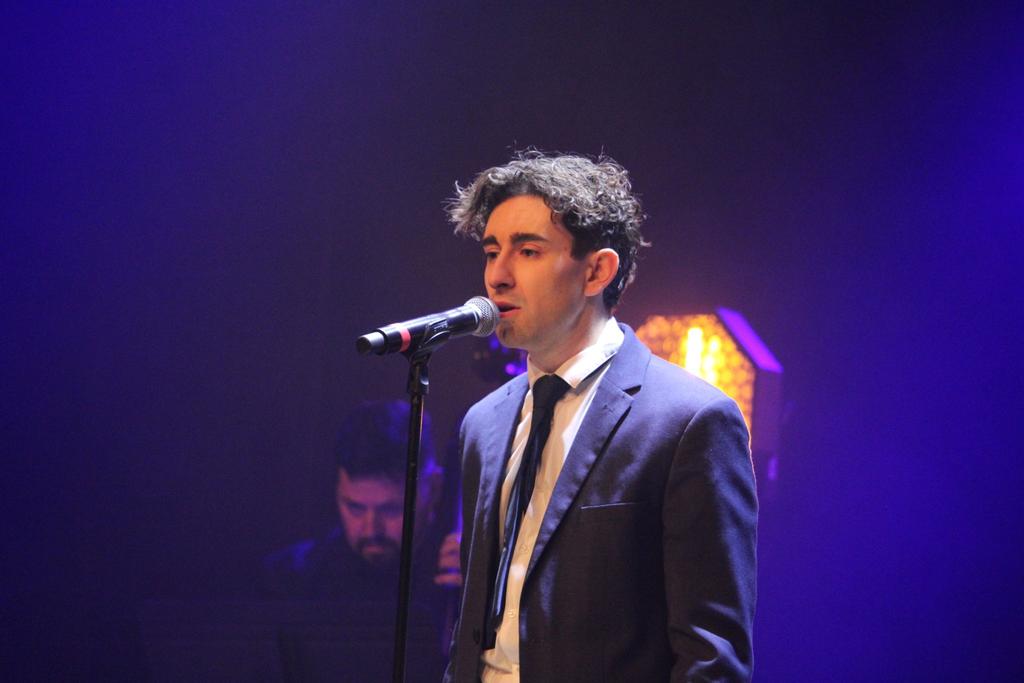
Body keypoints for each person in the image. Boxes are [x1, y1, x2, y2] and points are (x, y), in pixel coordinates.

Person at [442, 151, 758, 682]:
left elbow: (712, 656)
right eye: (492, 251)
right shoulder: (484, 423)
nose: (497, 276)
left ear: (596, 270)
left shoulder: (692, 421)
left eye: (528, 251)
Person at [260, 400, 460, 680]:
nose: (370, 530)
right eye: (354, 507)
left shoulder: (461, 574)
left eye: (391, 509)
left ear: (435, 489)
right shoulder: (293, 577)